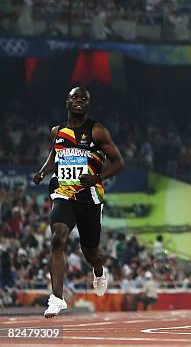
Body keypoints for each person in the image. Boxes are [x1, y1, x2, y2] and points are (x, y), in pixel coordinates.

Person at [32, 87, 125, 317]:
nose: (79, 101)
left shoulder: (97, 131)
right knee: (58, 238)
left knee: (90, 250)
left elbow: (119, 162)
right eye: (75, 97)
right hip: (64, 194)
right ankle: (57, 298)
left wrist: (97, 177)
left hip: (90, 197)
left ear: (88, 105)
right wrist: (43, 172)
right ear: (67, 102)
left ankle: (99, 270)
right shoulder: (57, 131)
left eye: (84, 99)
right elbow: (55, 156)